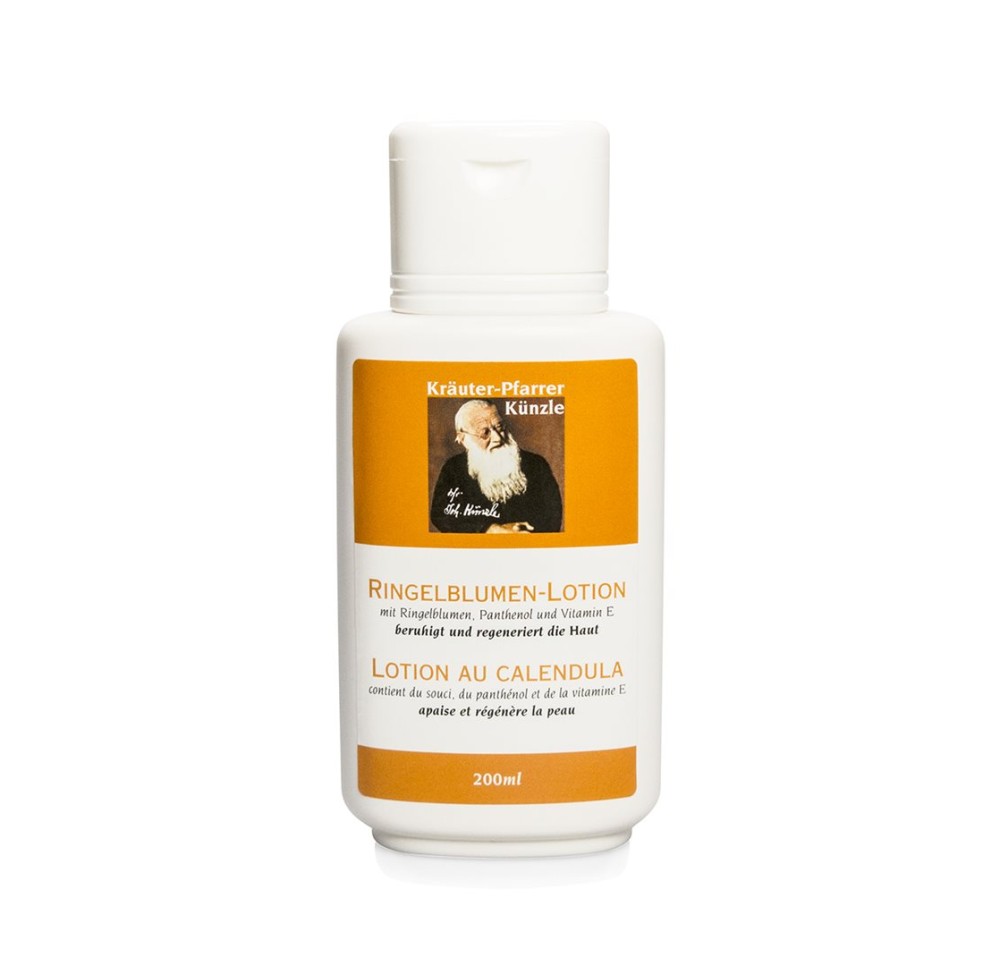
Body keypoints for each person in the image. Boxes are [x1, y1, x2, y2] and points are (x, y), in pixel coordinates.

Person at [430, 399, 562, 534]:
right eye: (485, 433)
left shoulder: (536, 464)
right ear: (463, 438)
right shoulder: (454, 469)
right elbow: (441, 515)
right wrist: (488, 529)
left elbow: (553, 516)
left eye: (499, 427)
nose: (498, 438)